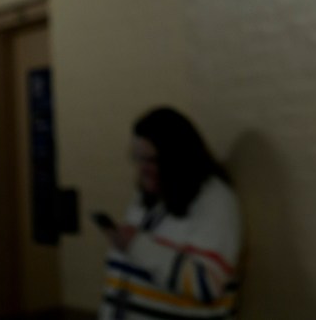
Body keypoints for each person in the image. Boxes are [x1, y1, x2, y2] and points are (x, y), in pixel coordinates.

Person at [97, 107, 241, 320]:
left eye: (151, 160)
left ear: (177, 157)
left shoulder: (214, 200)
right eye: (137, 159)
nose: (142, 169)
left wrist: (136, 245)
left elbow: (207, 284)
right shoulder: (150, 197)